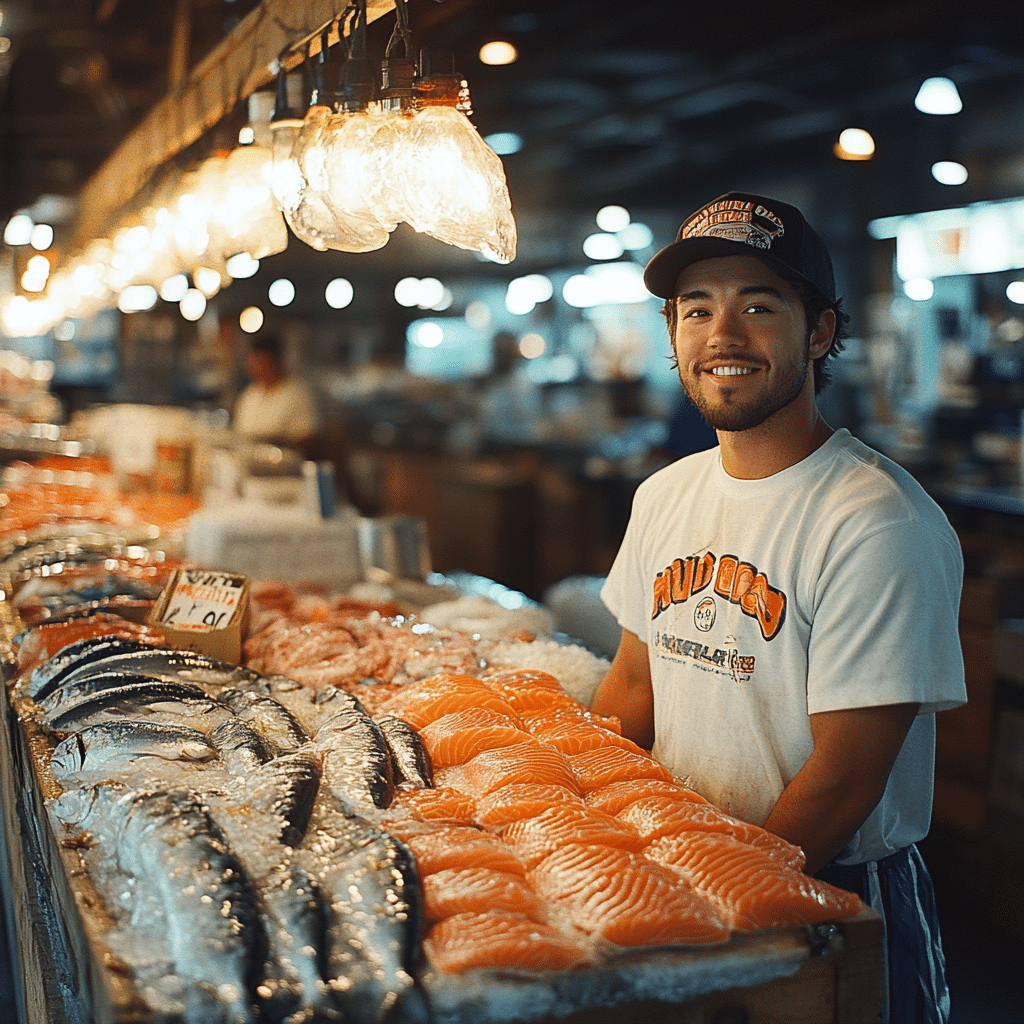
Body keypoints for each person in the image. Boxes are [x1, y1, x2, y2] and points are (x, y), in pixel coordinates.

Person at [591, 192, 966, 1024]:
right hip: (677, 868)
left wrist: (717, 904)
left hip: (830, 890)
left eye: (759, 306)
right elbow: (630, 689)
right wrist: (583, 833)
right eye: (698, 311)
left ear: (821, 333)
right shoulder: (664, 496)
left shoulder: (876, 521)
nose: (723, 337)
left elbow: (842, 781)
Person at [233, 333, 320, 457]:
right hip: (249, 464)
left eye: (259, 359)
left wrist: (274, 443)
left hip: (285, 468)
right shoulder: (249, 394)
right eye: (252, 359)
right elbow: (238, 434)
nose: (252, 364)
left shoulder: (297, 393)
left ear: (273, 359)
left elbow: (308, 439)